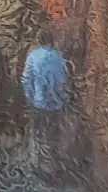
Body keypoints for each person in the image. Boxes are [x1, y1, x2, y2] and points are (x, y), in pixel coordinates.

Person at [21, 24, 71, 177]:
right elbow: (63, 82)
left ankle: (36, 163)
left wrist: (29, 97)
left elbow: (26, 79)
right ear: (52, 40)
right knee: (52, 135)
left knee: (37, 133)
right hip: (55, 104)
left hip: (38, 102)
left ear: (39, 40)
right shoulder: (59, 58)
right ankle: (51, 167)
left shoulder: (33, 56)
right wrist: (62, 98)